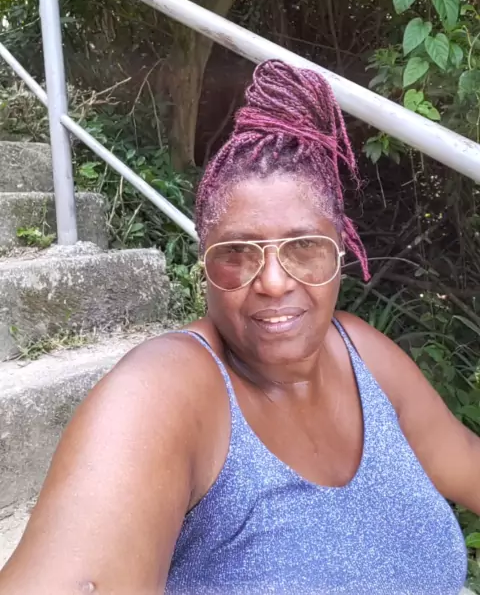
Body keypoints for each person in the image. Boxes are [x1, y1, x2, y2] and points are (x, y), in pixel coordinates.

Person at [0, 60, 478, 595]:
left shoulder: (363, 353)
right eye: (236, 253)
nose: (273, 282)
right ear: (203, 262)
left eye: (304, 246)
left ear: (341, 253)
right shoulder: (165, 390)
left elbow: (466, 461)